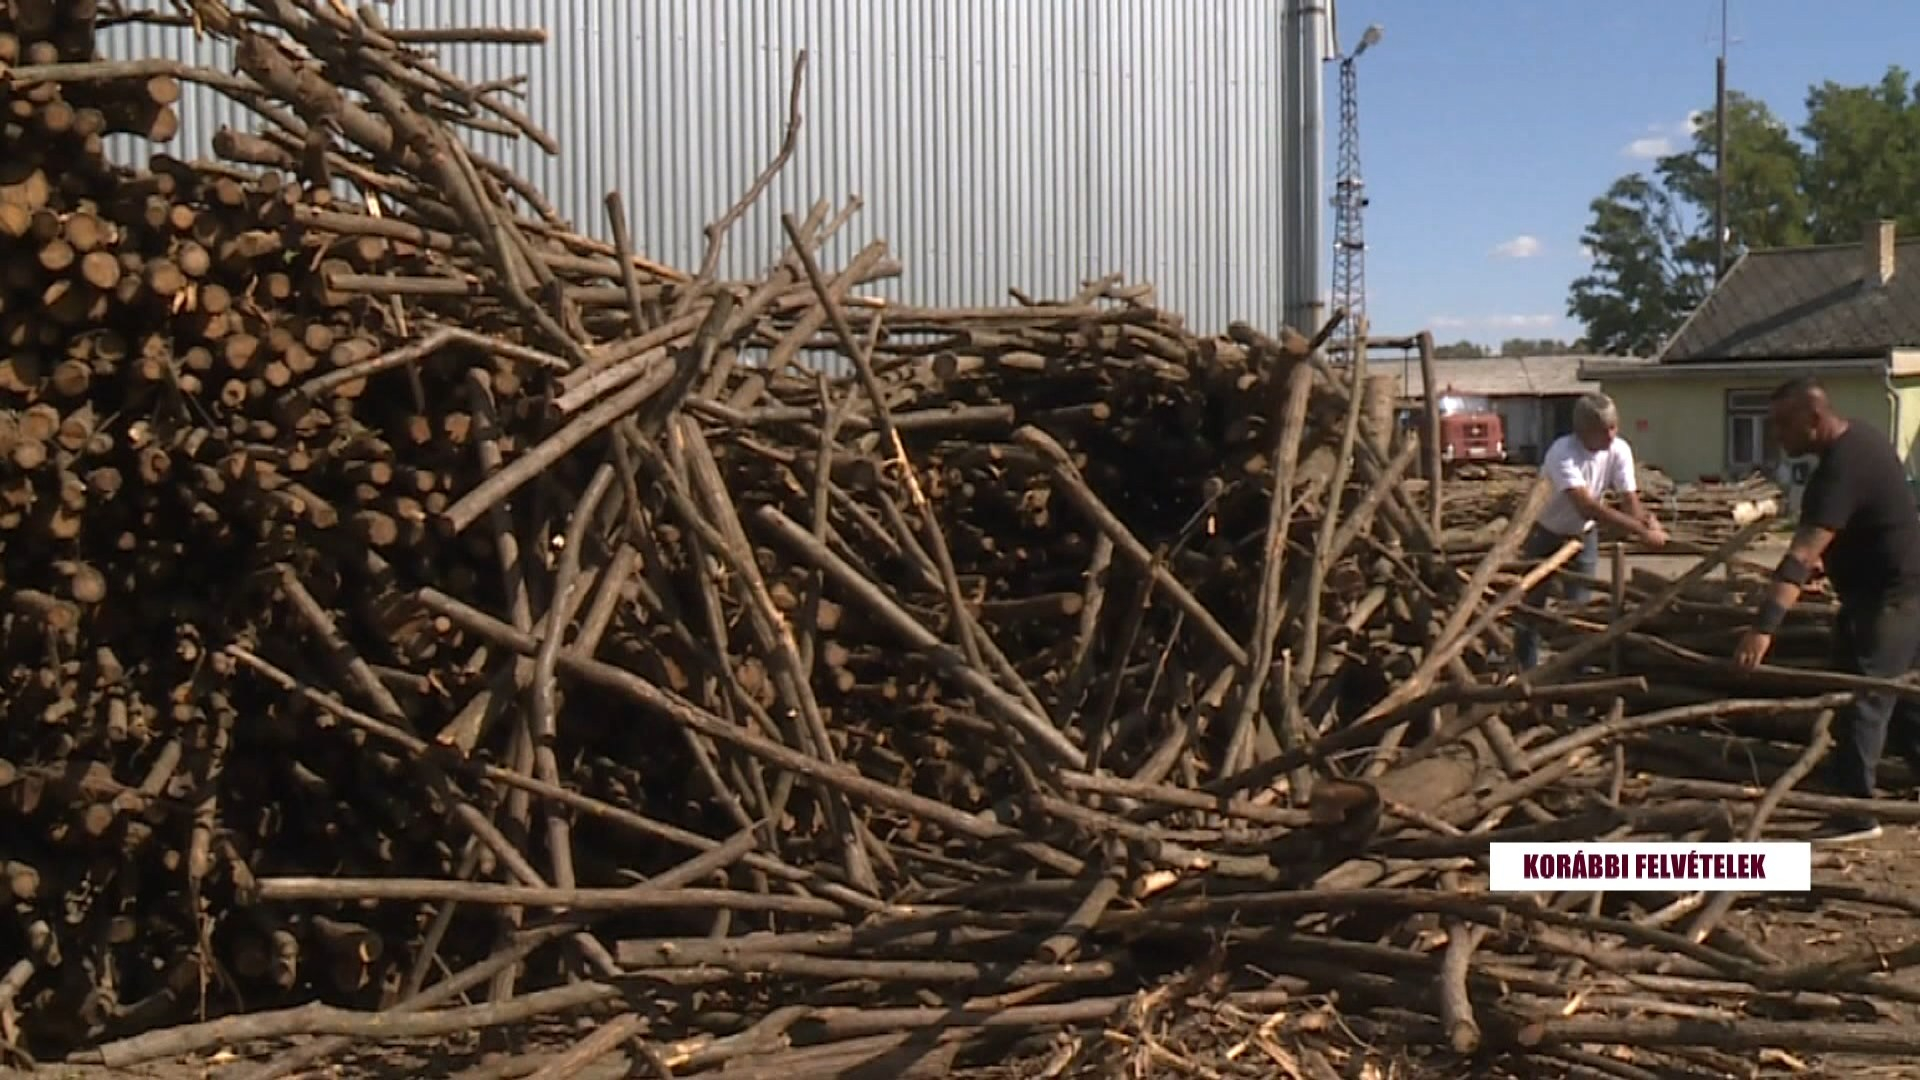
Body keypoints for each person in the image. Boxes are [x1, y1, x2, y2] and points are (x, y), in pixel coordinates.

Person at [1735, 376, 1920, 843]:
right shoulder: (1863, 440)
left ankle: (1854, 814)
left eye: (1783, 424)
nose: (1777, 434)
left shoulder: (1838, 470)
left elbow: (1799, 555)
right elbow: (1860, 526)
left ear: (1813, 419)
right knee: (1898, 705)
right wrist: (1832, 563)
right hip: (1899, 590)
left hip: (1891, 599)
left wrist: (1764, 627)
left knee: (1860, 699)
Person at [1514, 393, 1668, 670]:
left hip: (1582, 536)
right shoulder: (1562, 452)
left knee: (1579, 609)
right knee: (1531, 606)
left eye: (1614, 427)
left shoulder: (1619, 449)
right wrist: (1638, 530)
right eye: (1603, 430)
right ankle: (1523, 667)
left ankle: (1576, 672)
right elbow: (1586, 506)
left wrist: (1646, 521)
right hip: (1545, 533)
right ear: (1583, 430)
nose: (1611, 435)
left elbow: (1629, 498)